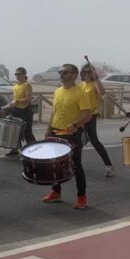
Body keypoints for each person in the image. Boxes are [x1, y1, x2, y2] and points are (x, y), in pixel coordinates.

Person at [42, 63, 92, 209]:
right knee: (54, 164)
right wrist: (48, 130)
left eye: (65, 72)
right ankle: (56, 192)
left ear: (74, 75)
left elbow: (88, 114)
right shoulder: (57, 91)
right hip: (56, 131)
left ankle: (81, 197)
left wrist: (75, 124)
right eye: (60, 72)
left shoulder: (80, 92)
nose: (61, 74)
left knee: (76, 165)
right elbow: (54, 112)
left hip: (72, 134)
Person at [80, 63, 113, 176]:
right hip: (79, 116)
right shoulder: (80, 85)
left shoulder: (94, 84)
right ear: (82, 73)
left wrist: (97, 79)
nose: (87, 74)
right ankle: (75, 165)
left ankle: (108, 164)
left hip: (91, 115)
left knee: (94, 140)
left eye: (90, 72)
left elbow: (102, 93)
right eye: (85, 72)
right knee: (76, 141)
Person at [0, 66, 36, 156]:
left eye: (19, 74)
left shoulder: (27, 85)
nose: (17, 76)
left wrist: (17, 101)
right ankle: (15, 150)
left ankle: (34, 150)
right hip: (16, 110)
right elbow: (14, 99)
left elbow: (28, 98)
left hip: (25, 111)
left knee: (27, 132)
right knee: (15, 131)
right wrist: (8, 106)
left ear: (24, 75)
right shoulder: (15, 86)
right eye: (16, 74)